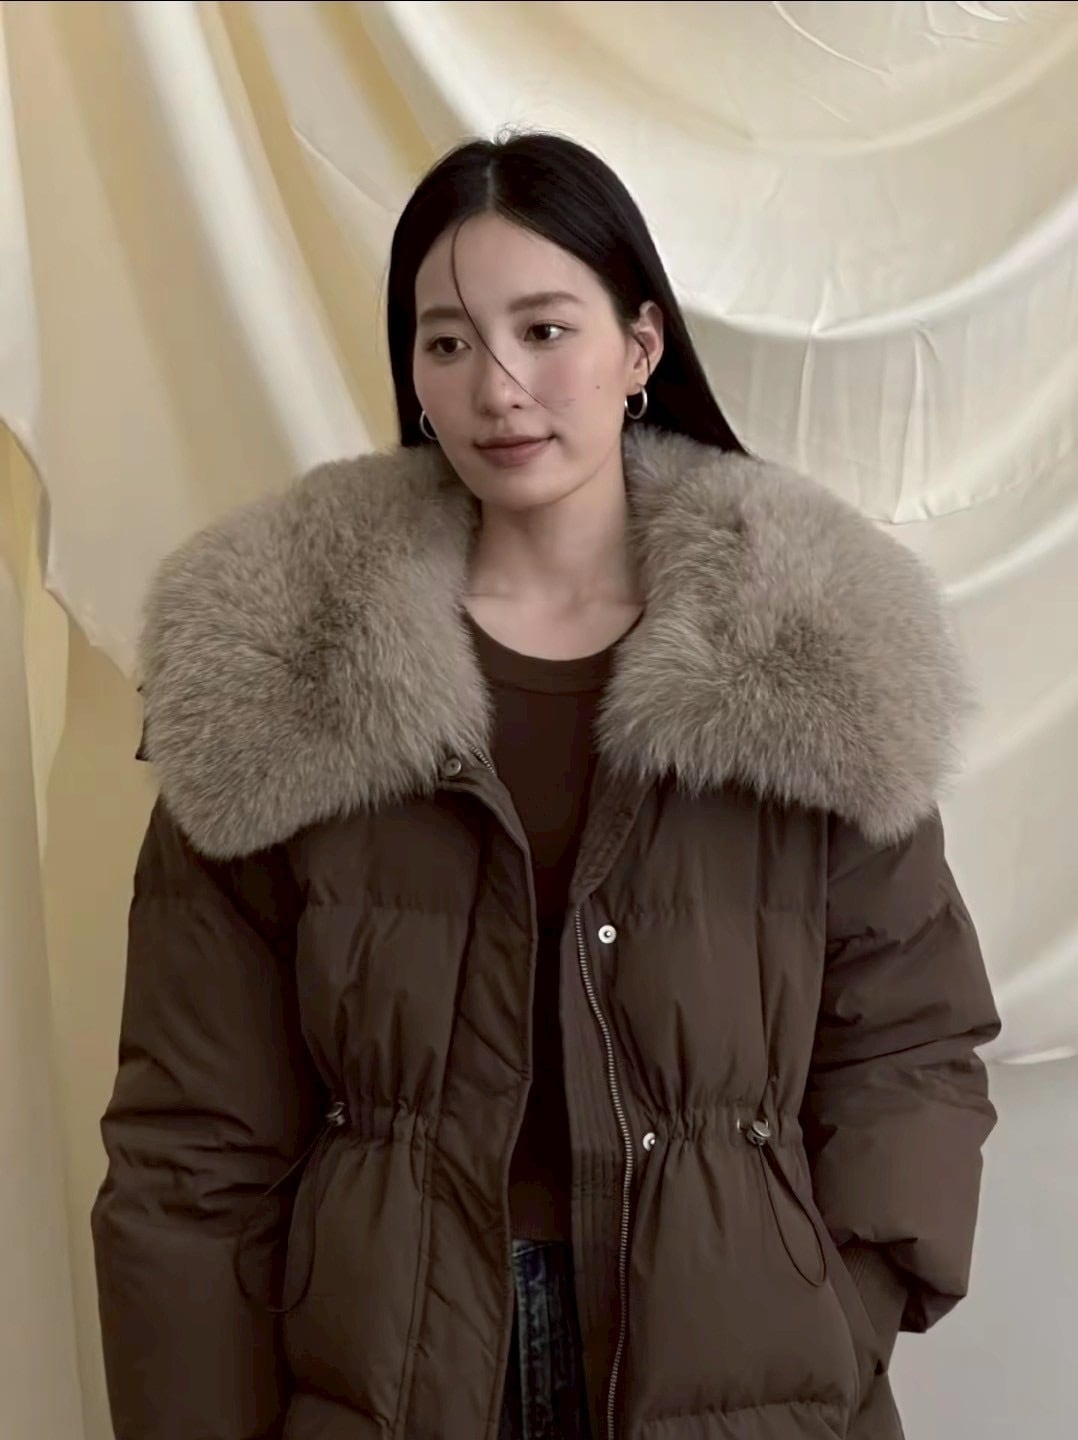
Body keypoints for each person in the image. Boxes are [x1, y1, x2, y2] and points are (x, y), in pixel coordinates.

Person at [91, 131, 1000, 1440]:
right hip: (393, 1373)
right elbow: (193, 1136)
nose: (498, 386)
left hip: (739, 1374)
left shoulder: (810, 649)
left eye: (544, 328)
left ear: (640, 346)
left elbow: (910, 1039)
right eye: (448, 341)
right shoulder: (284, 663)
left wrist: (834, 1306)